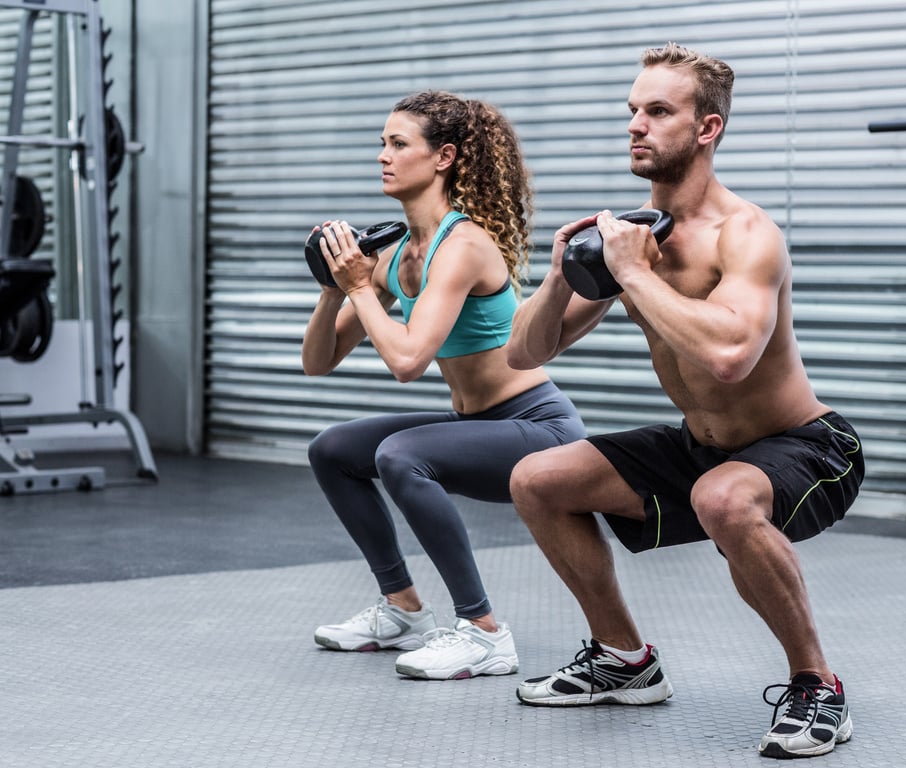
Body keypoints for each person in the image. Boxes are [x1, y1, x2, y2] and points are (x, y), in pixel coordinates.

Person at [505, 43, 864, 758]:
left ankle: (817, 685)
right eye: (632, 111)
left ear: (708, 128)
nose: (636, 125)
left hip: (809, 447)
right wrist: (556, 277)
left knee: (724, 499)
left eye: (658, 111)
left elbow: (731, 357)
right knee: (538, 480)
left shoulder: (746, 233)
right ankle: (624, 659)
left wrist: (634, 277)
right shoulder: (636, 241)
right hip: (703, 447)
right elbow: (526, 353)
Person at [302, 90, 586, 681]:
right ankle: (404, 609)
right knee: (333, 448)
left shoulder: (464, 246)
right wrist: (335, 288)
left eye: (398, 144)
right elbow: (319, 361)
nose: (382, 156)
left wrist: (358, 288)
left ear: (444, 157)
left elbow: (407, 362)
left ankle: (484, 633)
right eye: (382, 143)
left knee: (401, 456)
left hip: (536, 428)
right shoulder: (396, 254)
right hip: (479, 425)